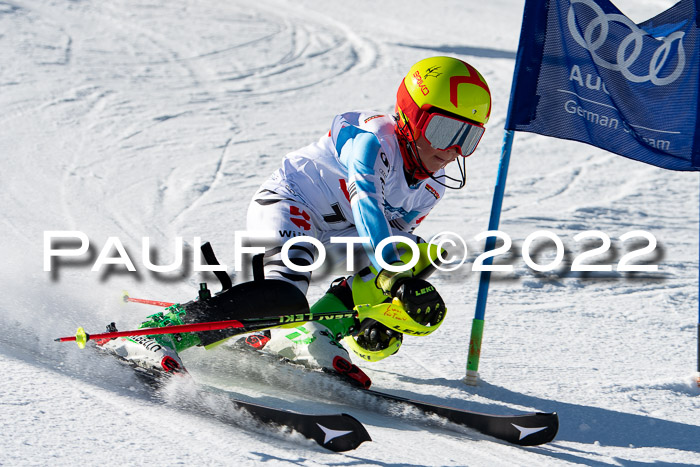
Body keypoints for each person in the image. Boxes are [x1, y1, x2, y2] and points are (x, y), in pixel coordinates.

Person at [100, 56, 492, 387]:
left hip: (338, 233)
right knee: (282, 298)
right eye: (444, 130)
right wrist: (395, 278)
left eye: (469, 137)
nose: (453, 149)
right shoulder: (371, 139)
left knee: (421, 254)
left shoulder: (433, 184)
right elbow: (367, 206)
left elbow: (388, 247)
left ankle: (315, 332)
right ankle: (156, 332)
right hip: (292, 205)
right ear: (410, 115)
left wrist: (383, 313)